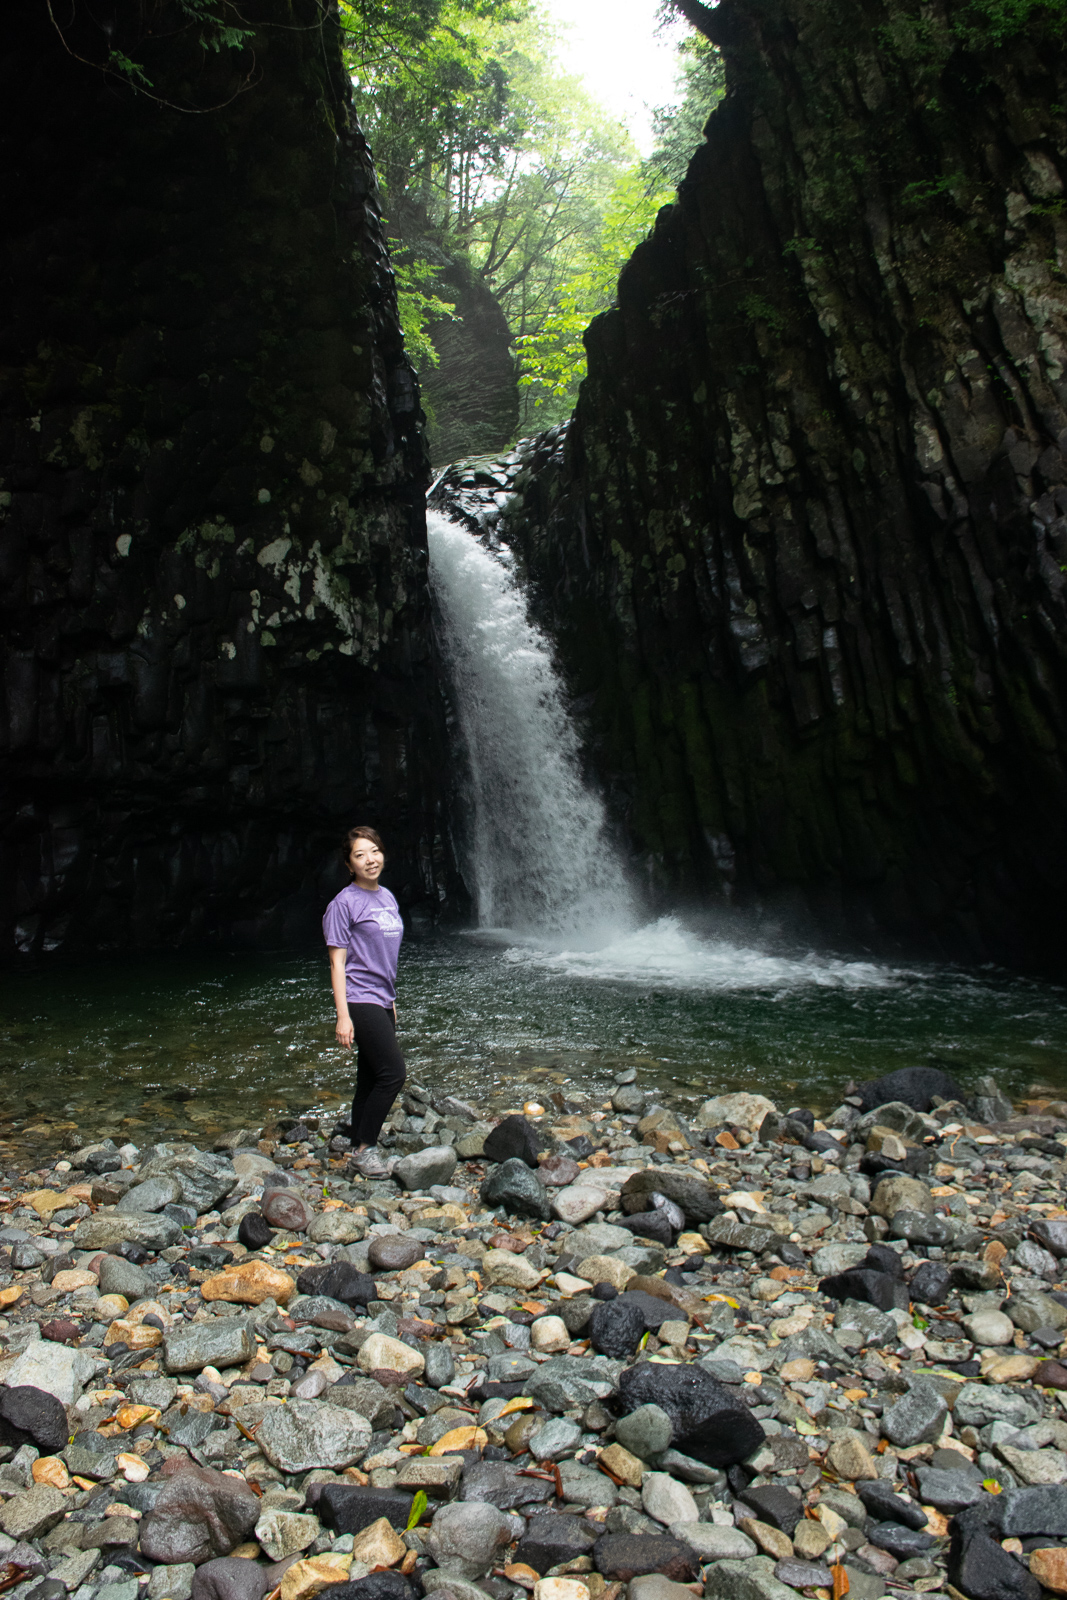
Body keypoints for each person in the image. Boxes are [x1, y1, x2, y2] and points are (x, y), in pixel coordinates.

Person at [323, 826, 406, 1178]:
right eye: (360, 855)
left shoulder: (387, 896)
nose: (370, 860)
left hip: (381, 998)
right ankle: (365, 1150)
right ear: (349, 863)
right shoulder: (344, 904)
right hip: (358, 998)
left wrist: (392, 999)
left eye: (374, 851)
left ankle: (359, 1136)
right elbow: (337, 962)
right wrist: (343, 1015)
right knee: (394, 1074)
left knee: (370, 1077)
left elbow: (383, 955)